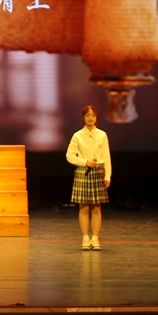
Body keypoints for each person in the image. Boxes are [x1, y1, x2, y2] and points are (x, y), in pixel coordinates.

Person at [66, 105, 112, 250]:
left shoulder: (102, 135)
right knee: (84, 207)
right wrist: (85, 162)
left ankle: (95, 238)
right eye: (87, 115)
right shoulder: (77, 135)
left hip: (98, 172)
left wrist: (108, 175)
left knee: (96, 208)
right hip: (83, 172)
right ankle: (85, 238)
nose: (90, 118)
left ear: (96, 117)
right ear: (83, 117)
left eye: (93, 115)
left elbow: (106, 156)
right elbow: (70, 155)